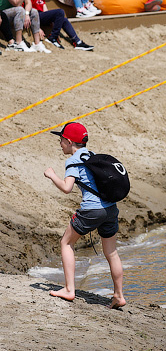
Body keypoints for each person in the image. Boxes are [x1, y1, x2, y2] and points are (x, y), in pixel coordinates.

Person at [43, 122, 126, 309]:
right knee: (111, 252)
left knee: (66, 242)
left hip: (91, 210)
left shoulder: (73, 160)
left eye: (61, 140)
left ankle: (69, 290)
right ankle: (119, 295)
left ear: (69, 141)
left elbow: (66, 188)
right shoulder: (92, 155)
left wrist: (52, 175)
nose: (60, 144)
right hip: (111, 208)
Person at [28, 0, 95, 50]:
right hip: (35, 17)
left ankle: (77, 42)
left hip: (42, 16)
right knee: (60, 12)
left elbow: (45, 10)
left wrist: (53, 21)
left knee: (64, 19)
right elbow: (28, 12)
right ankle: (53, 37)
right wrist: (37, 28)